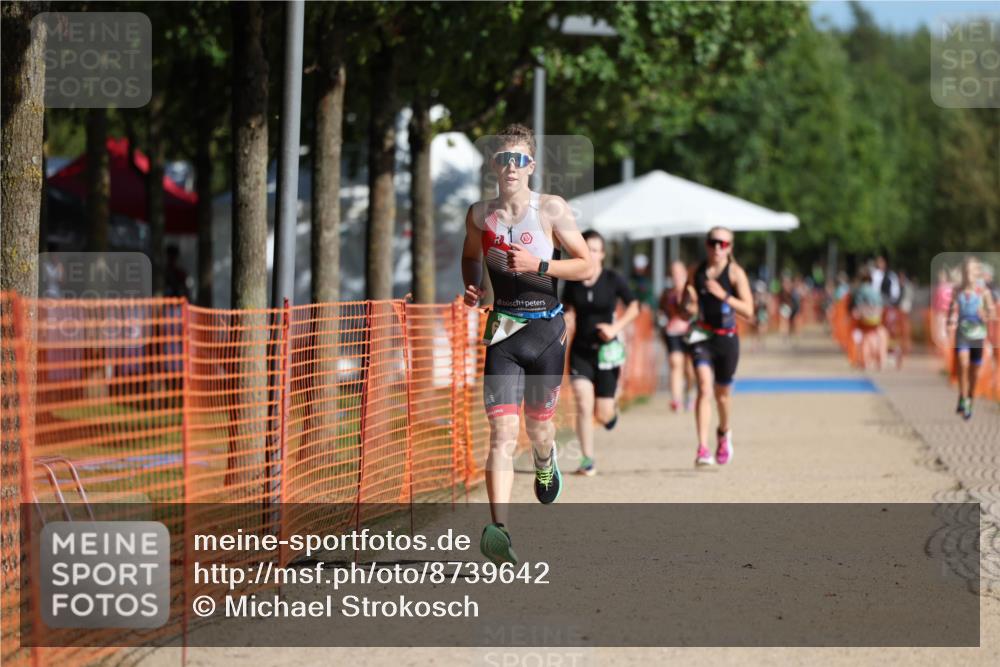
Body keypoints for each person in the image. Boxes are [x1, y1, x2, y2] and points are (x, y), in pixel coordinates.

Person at [461, 124, 592, 564]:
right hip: (504, 331)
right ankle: (499, 531)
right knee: (500, 433)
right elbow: (470, 256)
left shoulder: (551, 209)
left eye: (519, 160)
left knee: (538, 427)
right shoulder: (480, 214)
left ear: (531, 166)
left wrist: (539, 263)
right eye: (503, 159)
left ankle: (544, 458)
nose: (510, 167)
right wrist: (472, 286)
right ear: (493, 165)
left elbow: (584, 264)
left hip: (546, 331)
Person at [563, 230, 640, 476]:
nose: (591, 254)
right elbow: (566, 310)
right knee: (583, 404)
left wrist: (615, 328)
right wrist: (565, 322)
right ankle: (587, 460)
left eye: (596, 250)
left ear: (602, 254)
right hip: (581, 351)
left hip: (607, 352)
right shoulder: (572, 280)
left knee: (602, 414)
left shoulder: (612, 279)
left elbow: (635, 307)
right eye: (587, 248)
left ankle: (611, 411)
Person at [682, 227, 754, 467]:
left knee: (722, 395)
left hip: (727, 338)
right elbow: (686, 303)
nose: (717, 248)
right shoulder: (696, 270)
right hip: (702, 335)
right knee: (704, 387)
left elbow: (749, 311)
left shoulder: (735, 273)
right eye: (713, 243)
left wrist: (724, 296)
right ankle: (702, 448)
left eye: (723, 244)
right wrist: (688, 302)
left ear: (730, 248)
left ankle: (724, 432)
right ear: (706, 244)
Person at [947, 257, 995, 420]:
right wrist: (951, 321)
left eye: (972, 271)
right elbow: (952, 310)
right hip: (962, 334)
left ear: (977, 273)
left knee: (974, 372)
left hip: (978, 336)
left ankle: (970, 400)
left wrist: (986, 314)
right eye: (966, 271)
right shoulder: (957, 291)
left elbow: (993, 313)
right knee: (962, 362)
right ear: (963, 273)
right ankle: (962, 395)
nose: (968, 274)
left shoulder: (984, 292)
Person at [658, 261, 695, 412]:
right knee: (675, 363)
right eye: (673, 273)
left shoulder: (692, 292)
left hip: (690, 332)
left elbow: (698, 310)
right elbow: (660, 312)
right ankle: (676, 399)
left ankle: (690, 395)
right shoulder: (667, 294)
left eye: (679, 273)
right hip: (672, 332)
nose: (676, 276)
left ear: (685, 273)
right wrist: (662, 323)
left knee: (689, 368)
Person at [850, 268, 888, 371]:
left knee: (865, 339)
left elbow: (857, 306)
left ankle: (865, 361)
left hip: (865, 319)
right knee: (879, 336)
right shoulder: (875, 291)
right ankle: (880, 360)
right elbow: (881, 305)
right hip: (876, 319)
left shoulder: (860, 290)